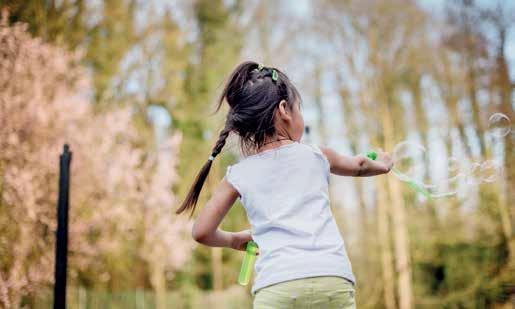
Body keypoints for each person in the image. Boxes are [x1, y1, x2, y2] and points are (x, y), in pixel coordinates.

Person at [175, 61, 393, 308]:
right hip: (332, 278)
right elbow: (360, 165)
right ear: (284, 110)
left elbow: (201, 231)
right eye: (299, 108)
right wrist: (383, 164)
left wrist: (235, 239)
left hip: (277, 285)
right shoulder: (317, 155)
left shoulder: (238, 174)